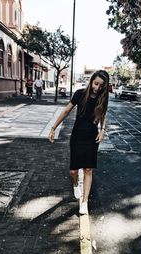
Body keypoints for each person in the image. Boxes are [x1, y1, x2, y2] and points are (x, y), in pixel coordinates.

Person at [49, 70, 109, 215]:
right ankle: (75, 183)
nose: (97, 88)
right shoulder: (79, 94)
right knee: (73, 171)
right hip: (77, 136)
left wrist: (102, 130)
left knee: (88, 169)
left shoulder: (103, 98)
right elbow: (66, 111)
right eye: (96, 84)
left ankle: (84, 201)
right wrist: (53, 128)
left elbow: (102, 115)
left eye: (101, 86)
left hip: (91, 137)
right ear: (91, 81)